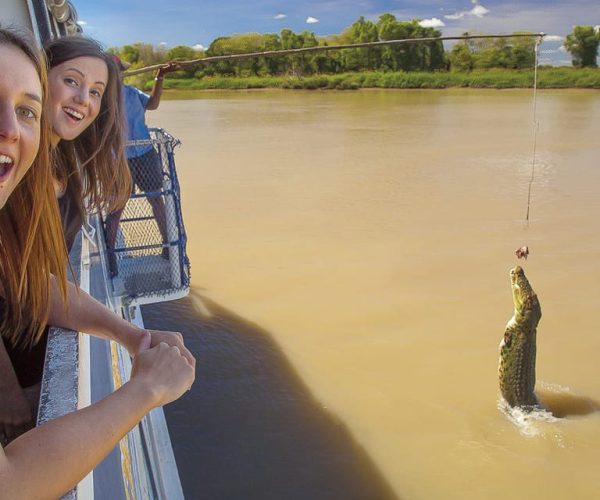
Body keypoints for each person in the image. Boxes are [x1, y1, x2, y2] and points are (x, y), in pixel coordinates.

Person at [0, 27, 195, 497]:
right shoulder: (18, 179)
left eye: (97, 91)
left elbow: (28, 280)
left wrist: (132, 334)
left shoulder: (47, 167)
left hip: (28, 347)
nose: (83, 100)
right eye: (70, 81)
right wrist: (145, 391)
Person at [105, 58, 180, 276]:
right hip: (117, 158)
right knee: (116, 207)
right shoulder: (100, 97)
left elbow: (153, 104)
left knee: (156, 198)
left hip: (145, 153)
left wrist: (160, 76)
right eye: (116, 71)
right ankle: (111, 254)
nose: (119, 74)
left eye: (119, 71)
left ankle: (168, 247)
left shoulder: (131, 92)